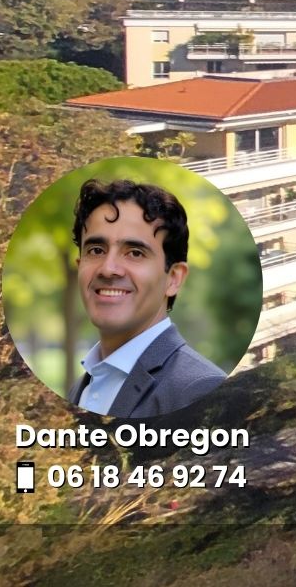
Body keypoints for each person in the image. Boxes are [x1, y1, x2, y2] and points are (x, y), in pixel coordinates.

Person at [68, 178, 227, 417]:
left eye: (134, 253)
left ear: (173, 278)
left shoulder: (199, 390)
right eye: (96, 250)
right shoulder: (82, 388)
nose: (108, 268)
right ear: (80, 267)